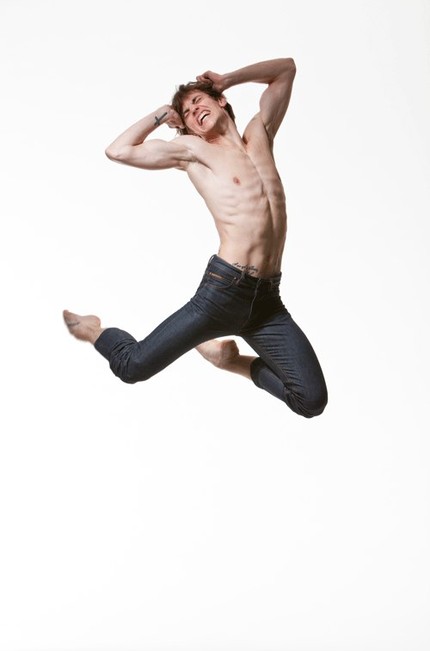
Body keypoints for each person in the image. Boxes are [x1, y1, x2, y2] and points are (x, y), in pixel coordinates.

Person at [63, 57, 328, 418]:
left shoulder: (260, 134)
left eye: (198, 101)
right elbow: (118, 150)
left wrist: (228, 78)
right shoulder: (195, 152)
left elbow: (286, 70)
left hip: (268, 301)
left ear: (220, 100)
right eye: (186, 112)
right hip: (223, 293)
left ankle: (226, 360)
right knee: (132, 366)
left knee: (310, 400)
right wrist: (163, 114)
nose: (193, 111)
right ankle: (94, 330)